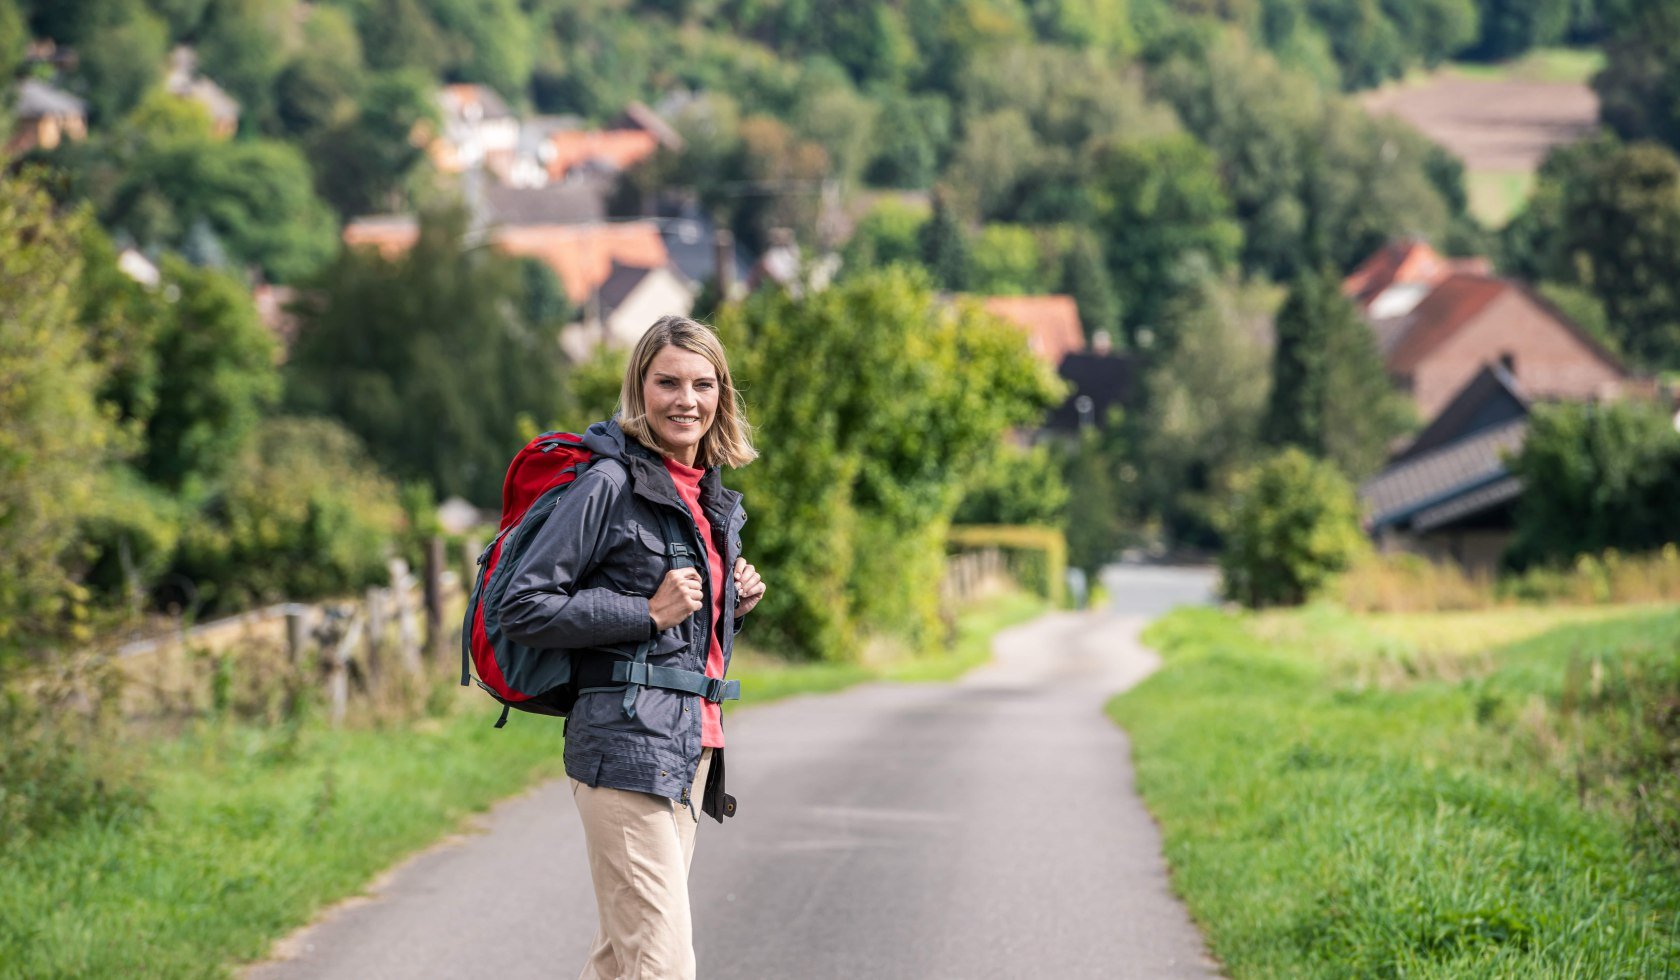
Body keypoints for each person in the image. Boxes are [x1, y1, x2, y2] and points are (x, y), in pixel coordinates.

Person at [499, 315, 764, 980]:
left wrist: (733, 603)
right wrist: (645, 612)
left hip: (691, 749)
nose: (686, 399)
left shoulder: (709, 497)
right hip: (623, 747)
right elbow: (523, 605)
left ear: (721, 394)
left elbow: (682, 633)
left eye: (703, 384)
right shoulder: (609, 484)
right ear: (639, 388)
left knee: (625, 959)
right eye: (668, 381)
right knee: (663, 962)